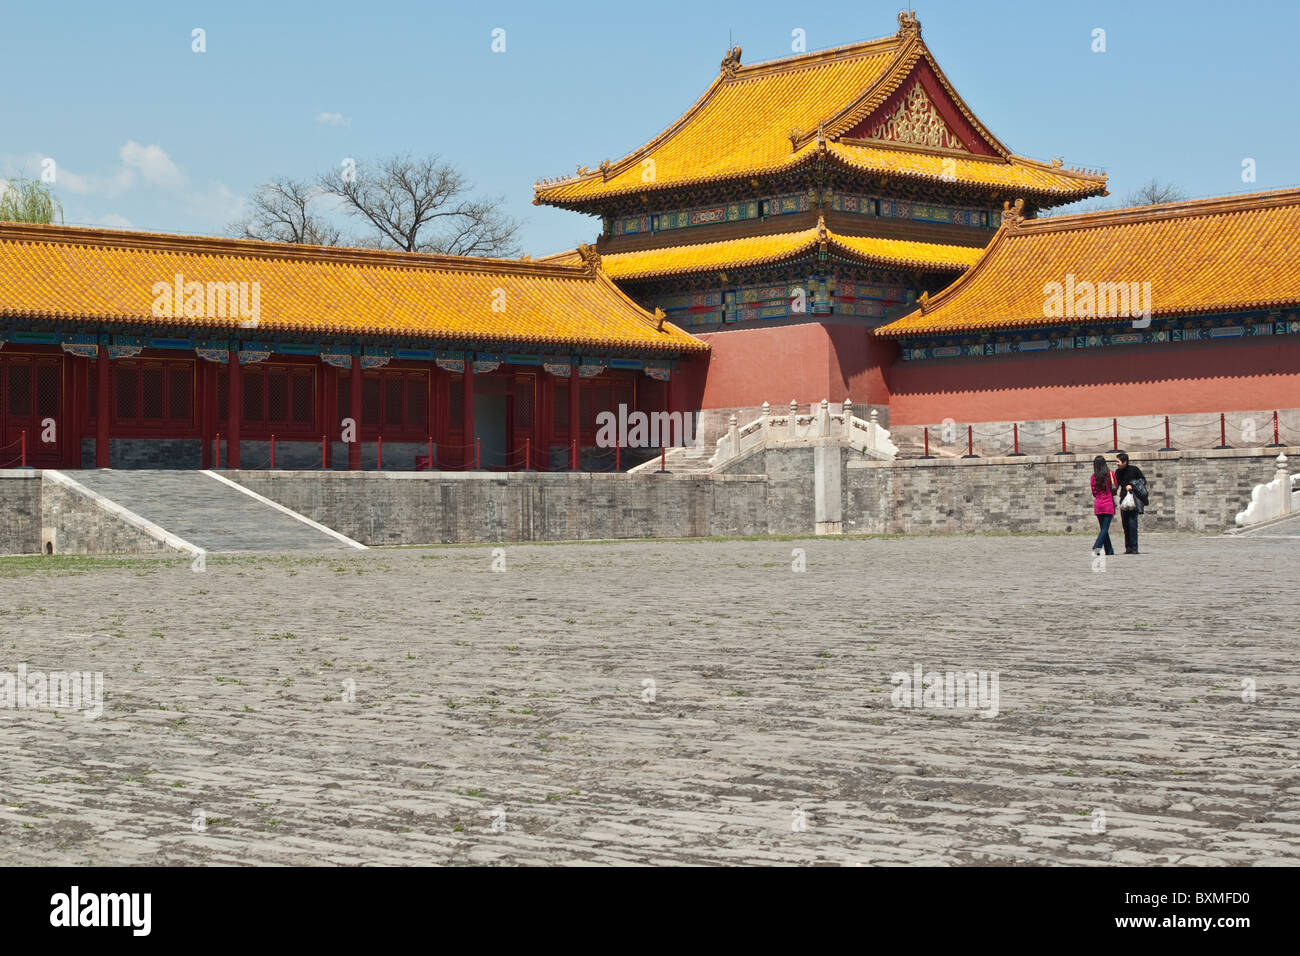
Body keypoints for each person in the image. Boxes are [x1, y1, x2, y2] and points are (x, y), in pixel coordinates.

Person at [1114, 451, 1147, 554]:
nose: (1117, 463)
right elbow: (1116, 485)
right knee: (1125, 525)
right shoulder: (1117, 472)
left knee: (1133, 524)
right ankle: (1128, 547)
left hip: (1134, 500)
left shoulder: (1134, 470)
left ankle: (1134, 547)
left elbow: (1143, 481)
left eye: (1118, 461)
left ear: (1125, 462)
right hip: (1124, 500)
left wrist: (1132, 485)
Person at [1090, 455, 1116, 556]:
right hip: (1108, 503)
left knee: (1103, 529)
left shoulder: (1093, 477)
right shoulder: (1111, 474)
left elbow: (1094, 491)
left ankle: (1109, 550)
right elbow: (1115, 487)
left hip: (1098, 504)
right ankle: (1097, 546)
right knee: (1105, 529)